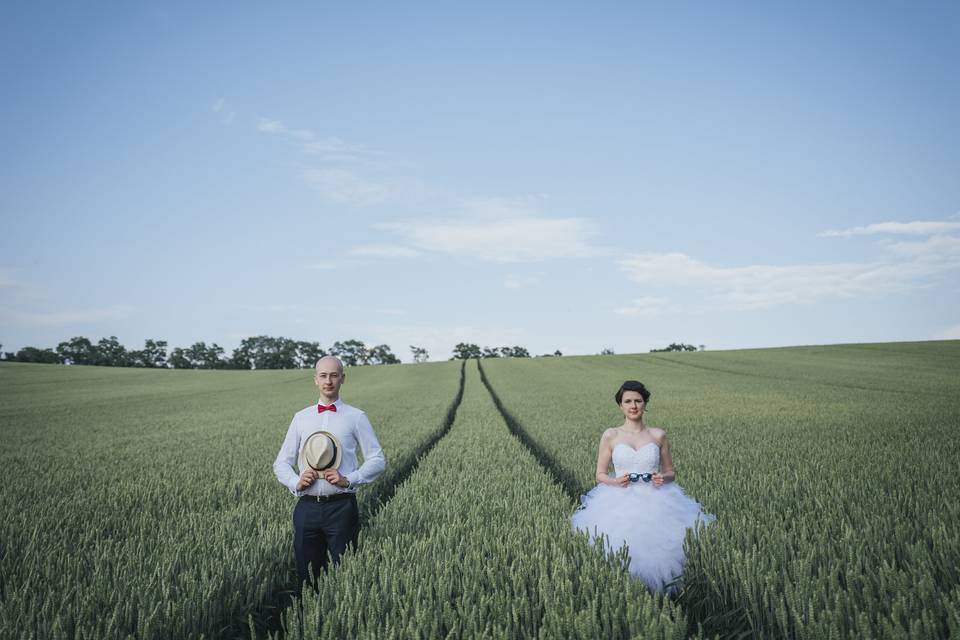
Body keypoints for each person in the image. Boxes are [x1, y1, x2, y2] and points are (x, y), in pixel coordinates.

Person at [571, 380, 714, 592]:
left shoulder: (658, 435)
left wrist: (662, 478)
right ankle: (626, 592)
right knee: (620, 547)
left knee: (662, 550)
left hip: (657, 498)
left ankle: (662, 595)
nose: (633, 405)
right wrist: (614, 481)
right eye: (628, 401)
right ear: (620, 405)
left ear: (645, 404)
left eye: (638, 400)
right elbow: (600, 474)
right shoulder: (611, 435)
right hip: (619, 498)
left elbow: (670, 472)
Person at [273, 355, 386, 587]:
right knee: (307, 579)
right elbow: (281, 463)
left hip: (342, 508)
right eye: (323, 375)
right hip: (306, 508)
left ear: (343, 379)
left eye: (334, 375)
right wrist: (296, 481)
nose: (328, 381)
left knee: (346, 577)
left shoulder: (356, 417)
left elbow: (377, 459)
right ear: (315, 380)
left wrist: (349, 479)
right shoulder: (301, 418)